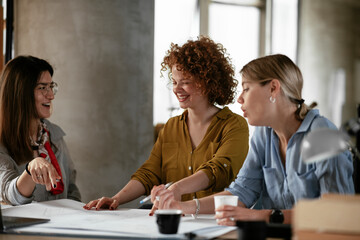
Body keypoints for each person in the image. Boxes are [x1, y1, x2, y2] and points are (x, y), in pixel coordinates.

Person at [151, 54, 354, 224]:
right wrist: (182, 207)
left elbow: (336, 213)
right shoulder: (264, 135)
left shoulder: (323, 134)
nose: (239, 98)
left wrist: (260, 216)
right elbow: (242, 192)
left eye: (246, 88)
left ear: (273, 88)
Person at [83, 36, 249, 210]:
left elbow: (218, 170)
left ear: (207, 82)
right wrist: (116, 199)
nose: (176, 89)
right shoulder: (172, 126)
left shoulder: (234, 125)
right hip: (172, 220)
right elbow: (150, 173)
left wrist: (177, 189)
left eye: (185, 82)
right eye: (175, 82)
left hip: (214, 220)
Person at [0, 55, 81, 205]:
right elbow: (8, 194)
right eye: (42, 88)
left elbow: (71, 188)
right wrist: (31, 170)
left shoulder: (54, 134)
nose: (51, 95)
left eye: (51, 86)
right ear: (20, 93)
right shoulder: (2, 142)